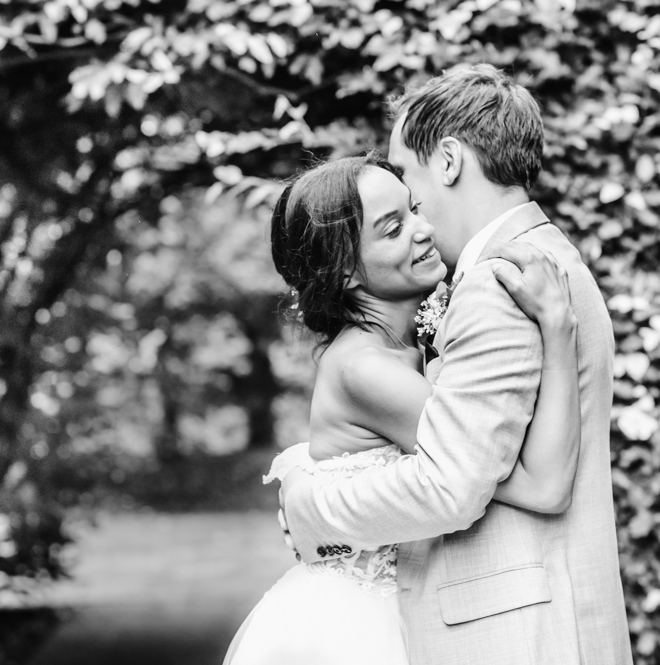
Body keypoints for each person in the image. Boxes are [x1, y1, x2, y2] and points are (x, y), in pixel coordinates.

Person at [279, 64, 633, 664]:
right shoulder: (529, 263)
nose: (419, 225)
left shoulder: (501, 281)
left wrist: (309, 503)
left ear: (447, 161)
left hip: (519, 630)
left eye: (411, 194)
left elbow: (459, 482)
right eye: (397, 220)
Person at [223, 151, 582, 665]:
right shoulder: (367, 370)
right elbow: (541, 485)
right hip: (355, 626)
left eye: (415, 209)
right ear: (345, 271)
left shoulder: (401, 345)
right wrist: (558, 330)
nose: (423, 229)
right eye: (393, 229)